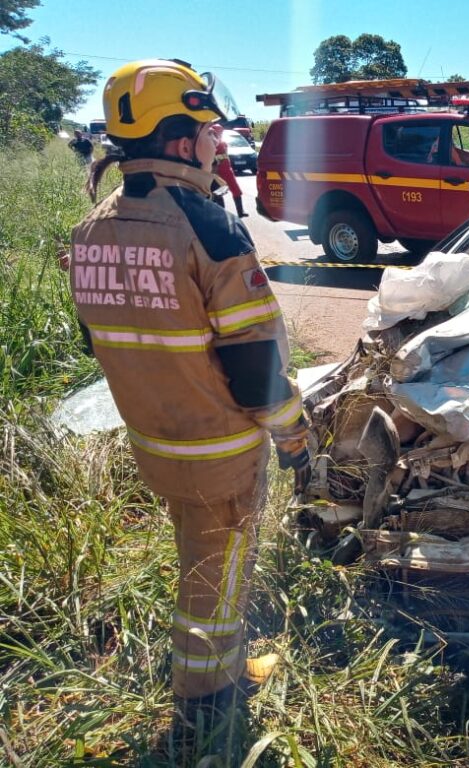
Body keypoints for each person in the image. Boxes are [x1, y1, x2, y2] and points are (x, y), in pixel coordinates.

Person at [70, 58, 309, 762]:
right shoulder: (208, 230)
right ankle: (209, 707)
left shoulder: (92, 230)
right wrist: (296, 437)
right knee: (220, 573)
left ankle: (209, 670)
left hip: (155, 443)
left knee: (197, 559)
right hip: (219, 454)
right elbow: (254, 370)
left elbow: (105, 342)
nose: (215, 144)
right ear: (180, 141)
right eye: (207, 131)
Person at [210, 123, 247, 217]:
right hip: (216, 172)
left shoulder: (223, 143)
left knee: (236, 190)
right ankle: (222, 214)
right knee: (218, 193)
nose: (220, 134)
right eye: (218, 132)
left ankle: (240, 212)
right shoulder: (210, 143)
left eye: (221, 132)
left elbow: (225, 157)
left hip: (227, 171)